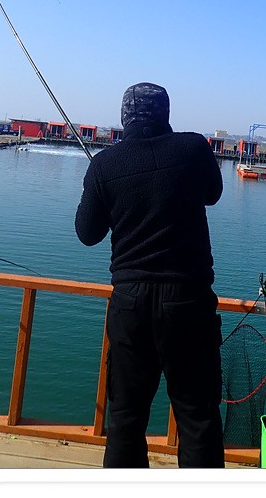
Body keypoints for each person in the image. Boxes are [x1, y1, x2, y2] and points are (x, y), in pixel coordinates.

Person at [74, 82, 224, 468]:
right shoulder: (194, 148)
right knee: (198, 418)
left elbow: (87, 233)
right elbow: (213, 193)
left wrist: (99, 186)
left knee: (125, 418)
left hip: (131, 305)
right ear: (166, 114)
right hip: (189, 302)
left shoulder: (105, 164)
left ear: (124, 117)